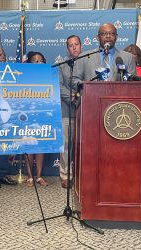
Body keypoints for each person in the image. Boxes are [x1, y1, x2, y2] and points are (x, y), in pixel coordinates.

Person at [0, 47, 17, 188]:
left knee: (4, 144)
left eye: (4, 54)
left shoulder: (9, 72)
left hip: (7, 113)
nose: (3, 57)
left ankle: (2, 174)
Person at [59, 35, 82, 188]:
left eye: (76, 44)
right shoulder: (62, 65)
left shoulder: (89, 62)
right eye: (70, 45)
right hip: (68, 111)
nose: (74, 47)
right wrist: (74, 97)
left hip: (88, 112)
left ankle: (83, 175)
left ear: (81, 46)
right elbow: (60, 87)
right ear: (67, 48)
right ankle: (65, 175)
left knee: (84, 145)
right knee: (67, 145)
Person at [24, 51, 48, 187]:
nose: (39, 63)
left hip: (42, 115)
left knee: (41, 145)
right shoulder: (25, 78)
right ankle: (29, 177)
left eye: (41, 60)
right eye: (35, 61)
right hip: (28, 114)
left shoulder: (48, 77)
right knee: (29, 145)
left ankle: (39, 176)